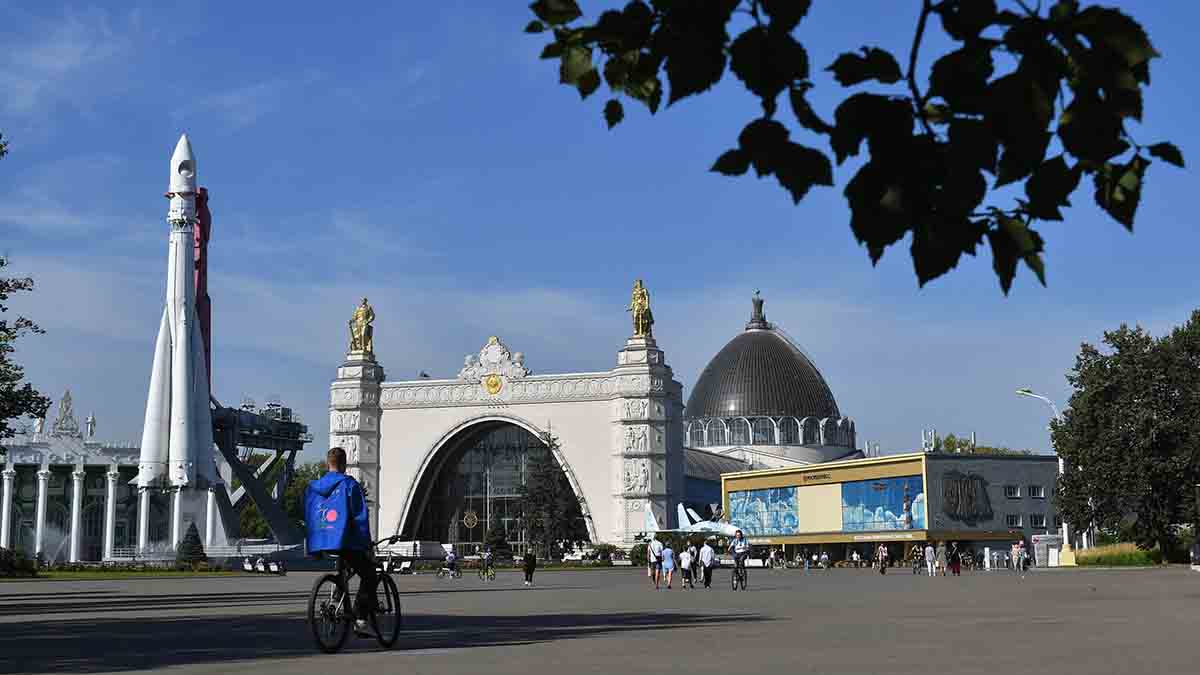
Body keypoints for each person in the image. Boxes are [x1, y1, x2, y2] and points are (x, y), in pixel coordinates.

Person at [304, 446, 375, 637]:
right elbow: (360, 517)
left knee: (344, 568)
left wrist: (311, 541)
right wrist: (366, 542)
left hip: (320, 539)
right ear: (344, 464)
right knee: (369, 574)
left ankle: (337, 595)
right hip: (345, 540)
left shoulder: (313, 488)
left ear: (328, 463)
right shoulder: (349, 485)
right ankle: (360, 619)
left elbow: (309, 515)